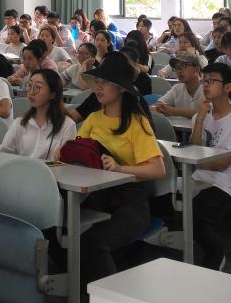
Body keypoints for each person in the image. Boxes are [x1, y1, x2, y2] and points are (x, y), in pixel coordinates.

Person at [59, 53, 164, 287]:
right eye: (97, 81)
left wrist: (119, 168)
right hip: (96, 197)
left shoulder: (136, 122)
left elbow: (158, 169)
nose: (98, 86)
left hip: (131, 201)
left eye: (106, 82)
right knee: (57, 232)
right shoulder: (94, 118)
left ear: (122, 88)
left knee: (94, 243)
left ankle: (104, 296)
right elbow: (78, 151)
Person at [191, 63, 231, 270]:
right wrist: (199, 120)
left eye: (212, 81)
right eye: (204, 80)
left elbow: (221, 165)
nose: (206, 85)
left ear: (228, 87)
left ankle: (215, 254)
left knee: (197, 212)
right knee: (163, 198)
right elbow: (194, 150)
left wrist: (197, 161)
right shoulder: (201, 114)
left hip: (224, 184)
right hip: (197, 178)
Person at [0, 68, 76, 159]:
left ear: (52, 94)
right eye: (29, 85)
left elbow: (67, 162)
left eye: (37, 87)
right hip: (22, 167)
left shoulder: (67, 126)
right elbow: (3, 152)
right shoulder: (20, 122)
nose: (31, 92)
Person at [153, 53, 204, 117]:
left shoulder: (207, 89)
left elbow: (205, 114)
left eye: (184, 66)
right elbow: (159, 106)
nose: (179, 71)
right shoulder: (177, 89)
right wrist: (160, 108)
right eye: (176, 68)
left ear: (197, 69)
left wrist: (173, 110)